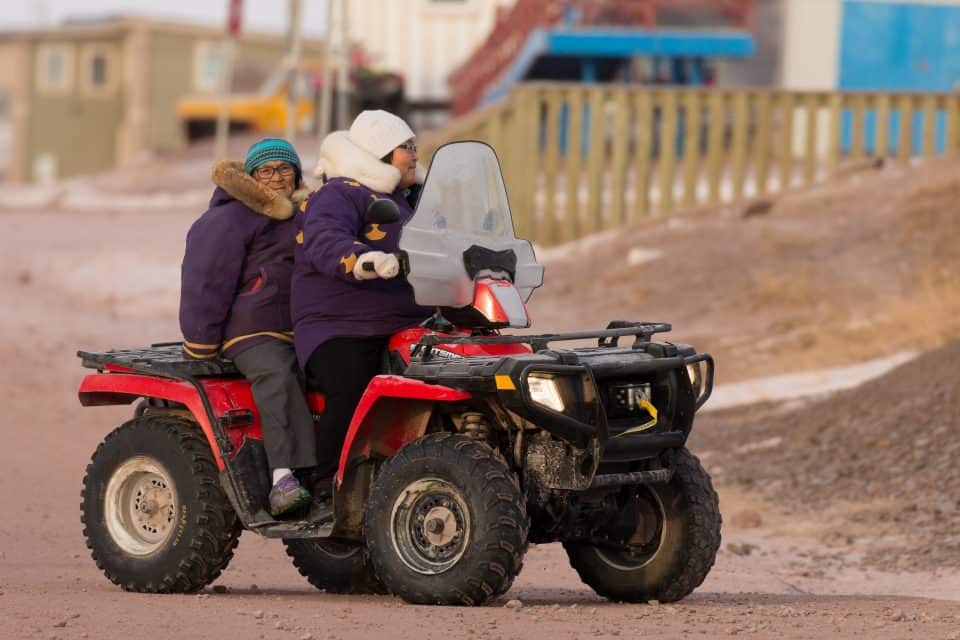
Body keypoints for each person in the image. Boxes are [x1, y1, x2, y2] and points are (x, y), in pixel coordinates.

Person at [179, 137, 317, 517]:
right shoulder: (227, 219)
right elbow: (204, 283)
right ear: (252, 177)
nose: (277, 178)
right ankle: (283, 478)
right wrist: (201, 344)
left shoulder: (306, 215)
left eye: (285, 169)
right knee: (277, 375)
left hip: (303, 327)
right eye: (267, 170)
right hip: (252, 330)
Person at [292, 110, 432, 479]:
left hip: (407, 319)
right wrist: (361, 259)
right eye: (406, 147)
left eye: (414, 147)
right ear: (381, 152)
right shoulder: (339, 193)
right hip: (340, 323)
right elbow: (324, 238)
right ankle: (322, 484)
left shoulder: (409, 199)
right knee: (351, 385)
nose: (415, 155)